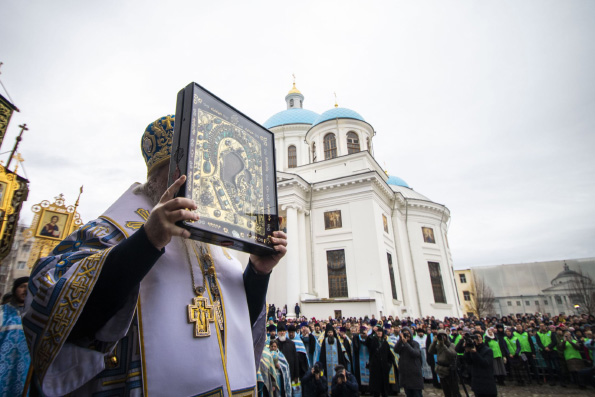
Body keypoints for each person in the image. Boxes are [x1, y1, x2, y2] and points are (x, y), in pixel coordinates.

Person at [23, 115, 288, 396]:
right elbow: (52, 305)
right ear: (157, 179)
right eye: (180, 174)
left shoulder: (214, 246)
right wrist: (146, 242)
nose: (195, 185)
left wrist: (258, 272)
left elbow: (238, 327)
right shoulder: (112, 231)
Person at [0, 277, 31, 396]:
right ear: (14, 289)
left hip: (24, 370)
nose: (25, 290)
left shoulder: (34, 316)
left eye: (29, 287)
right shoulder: (3, 311)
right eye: (22, 286)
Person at [463, 332, 497, 397]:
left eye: (479, 337)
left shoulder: (488, 350)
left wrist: (475, 353)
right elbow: (469, 362)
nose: (477, 339)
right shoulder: (472, 349)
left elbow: (485, 363)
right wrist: (467, 352)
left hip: (487, 382)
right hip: (476, 381)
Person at [428, 329, 460, 397]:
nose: (443, 337)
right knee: (446, 391)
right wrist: (434, 342)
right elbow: (430, 351)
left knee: (454, 391)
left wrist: (443, 346)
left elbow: (452, 355)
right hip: (441, 370)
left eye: (444, 336)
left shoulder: (451, 345)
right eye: (440, 336)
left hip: (450, 370)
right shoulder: (438, 345)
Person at [394, 326, 423, 397]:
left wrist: (406, 344)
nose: (407, 335)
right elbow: (396, 350)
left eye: (408, 333)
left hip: (414, 373)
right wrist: (401, 340)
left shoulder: (415, 343)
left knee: (417, 394)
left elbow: (415, 353)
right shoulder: (401, 344)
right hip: (405, 374)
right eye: (405, 333)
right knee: (408, 394)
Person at [318, 323, 346, 389]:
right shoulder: (324, 341)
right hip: (327, 367)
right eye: (328, 332)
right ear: (326, 333)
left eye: (331, 332)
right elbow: (322, 354)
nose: (330, 334)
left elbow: (340, 353)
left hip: (337, 365)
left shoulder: (336, 341)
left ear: (333, 333)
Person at [352, 326, 371, 393]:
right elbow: (356, 348)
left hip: (368, 359)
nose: (363, 335)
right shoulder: (356, 338)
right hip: (359, 360)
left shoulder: (369, 338)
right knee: (359, 374)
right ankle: (361, 389)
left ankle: (368, 389)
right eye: (362, 333)